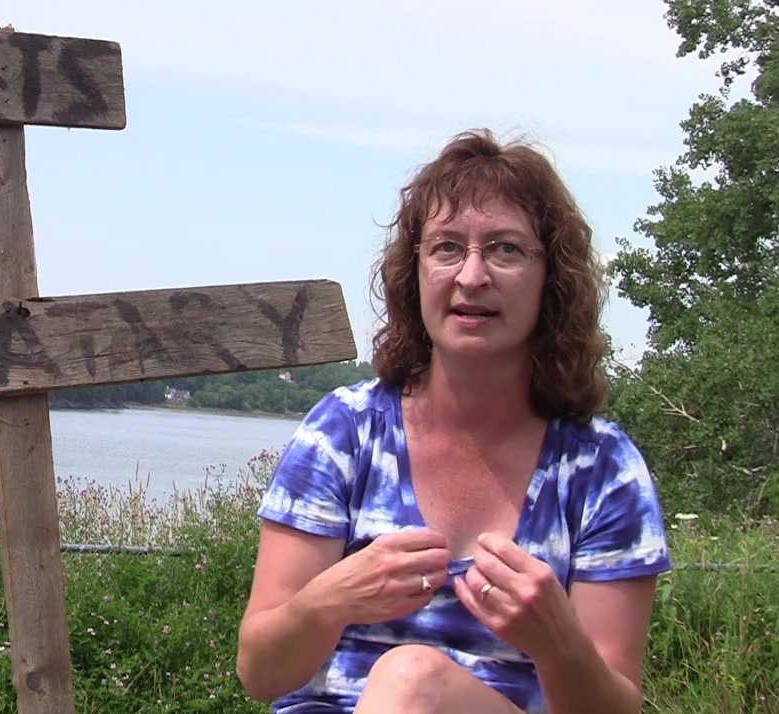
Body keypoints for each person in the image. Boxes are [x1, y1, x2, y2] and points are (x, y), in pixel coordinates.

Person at [234, 129, 672, 713]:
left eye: (505, 249)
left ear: (553, 279)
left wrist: (558, 642)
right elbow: (260, 674)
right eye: (446, 248)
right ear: (414, 273)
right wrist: (331, 599)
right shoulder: (345, 433)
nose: (471, 276)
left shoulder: (601, 470)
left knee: (414, 682)